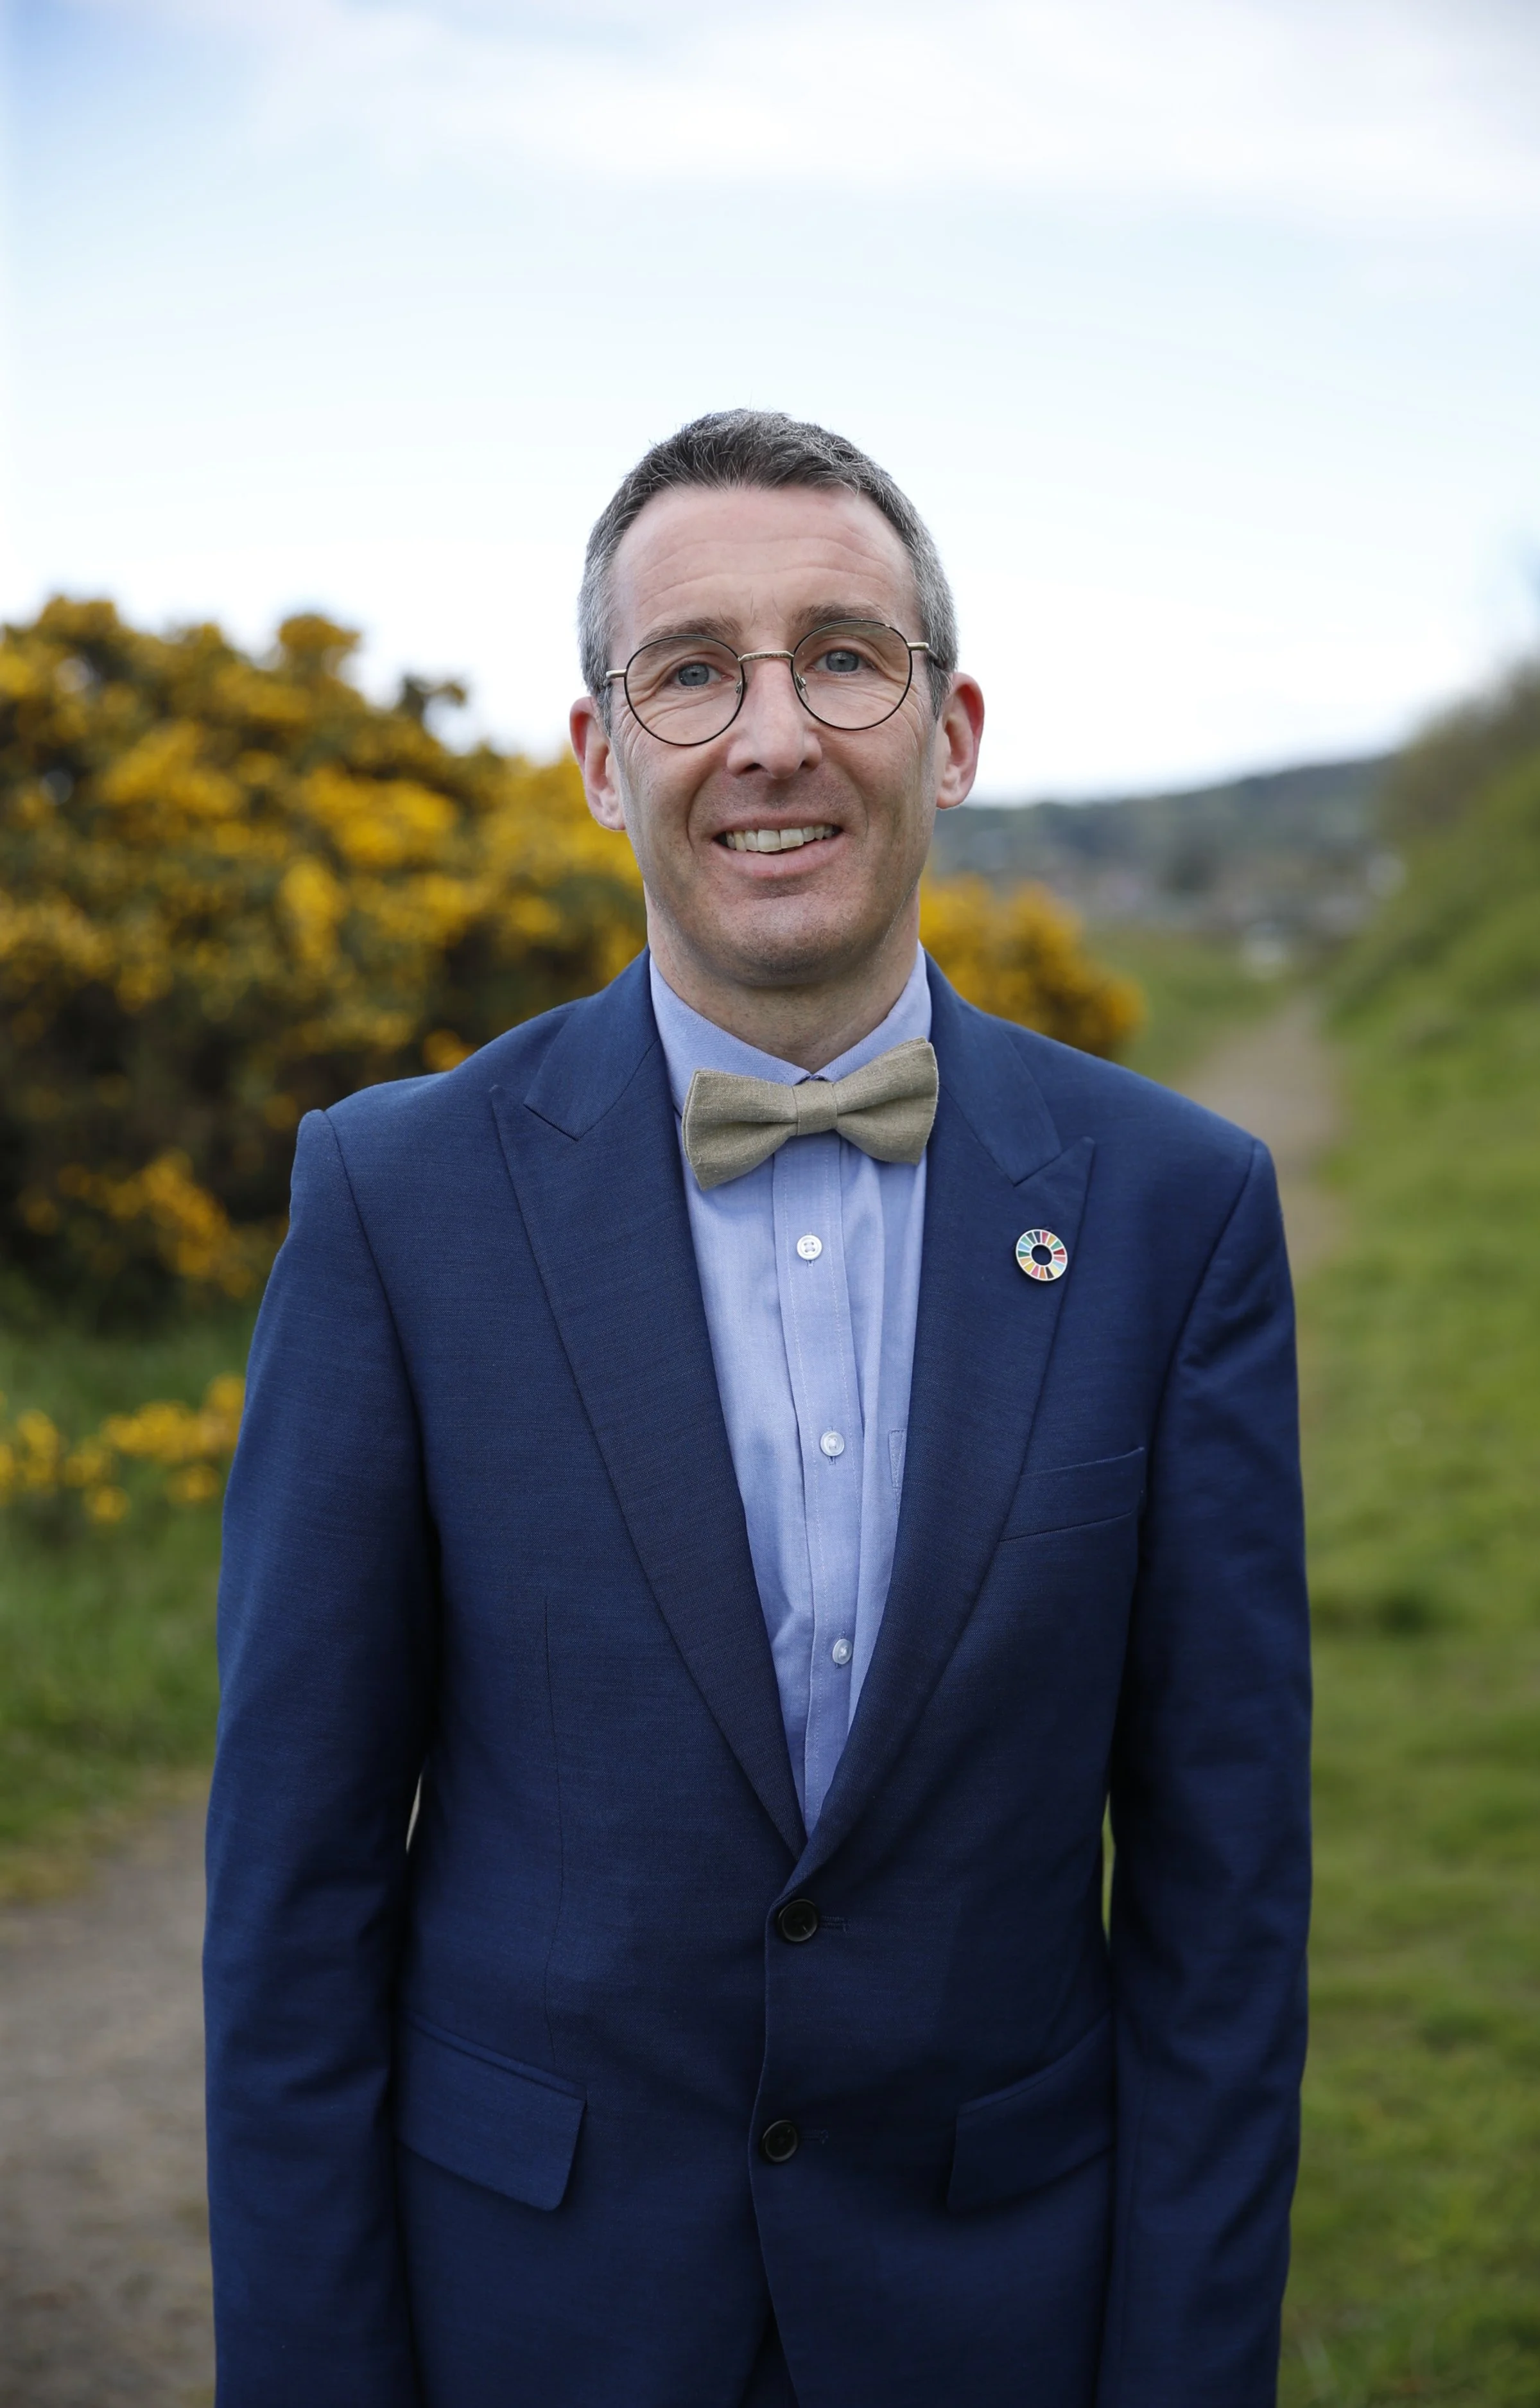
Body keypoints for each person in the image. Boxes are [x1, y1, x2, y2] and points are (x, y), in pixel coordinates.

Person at [203, 410, 1310, 2408]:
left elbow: (1225, 1913)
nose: (772, 731)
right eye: (691, 669)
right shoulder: (394, 1198)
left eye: (844, 655)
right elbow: (293, 1902)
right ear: (599, 756)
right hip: (532, 2315)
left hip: (998, 2316)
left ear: (949, 730)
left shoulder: (1177, 1209)